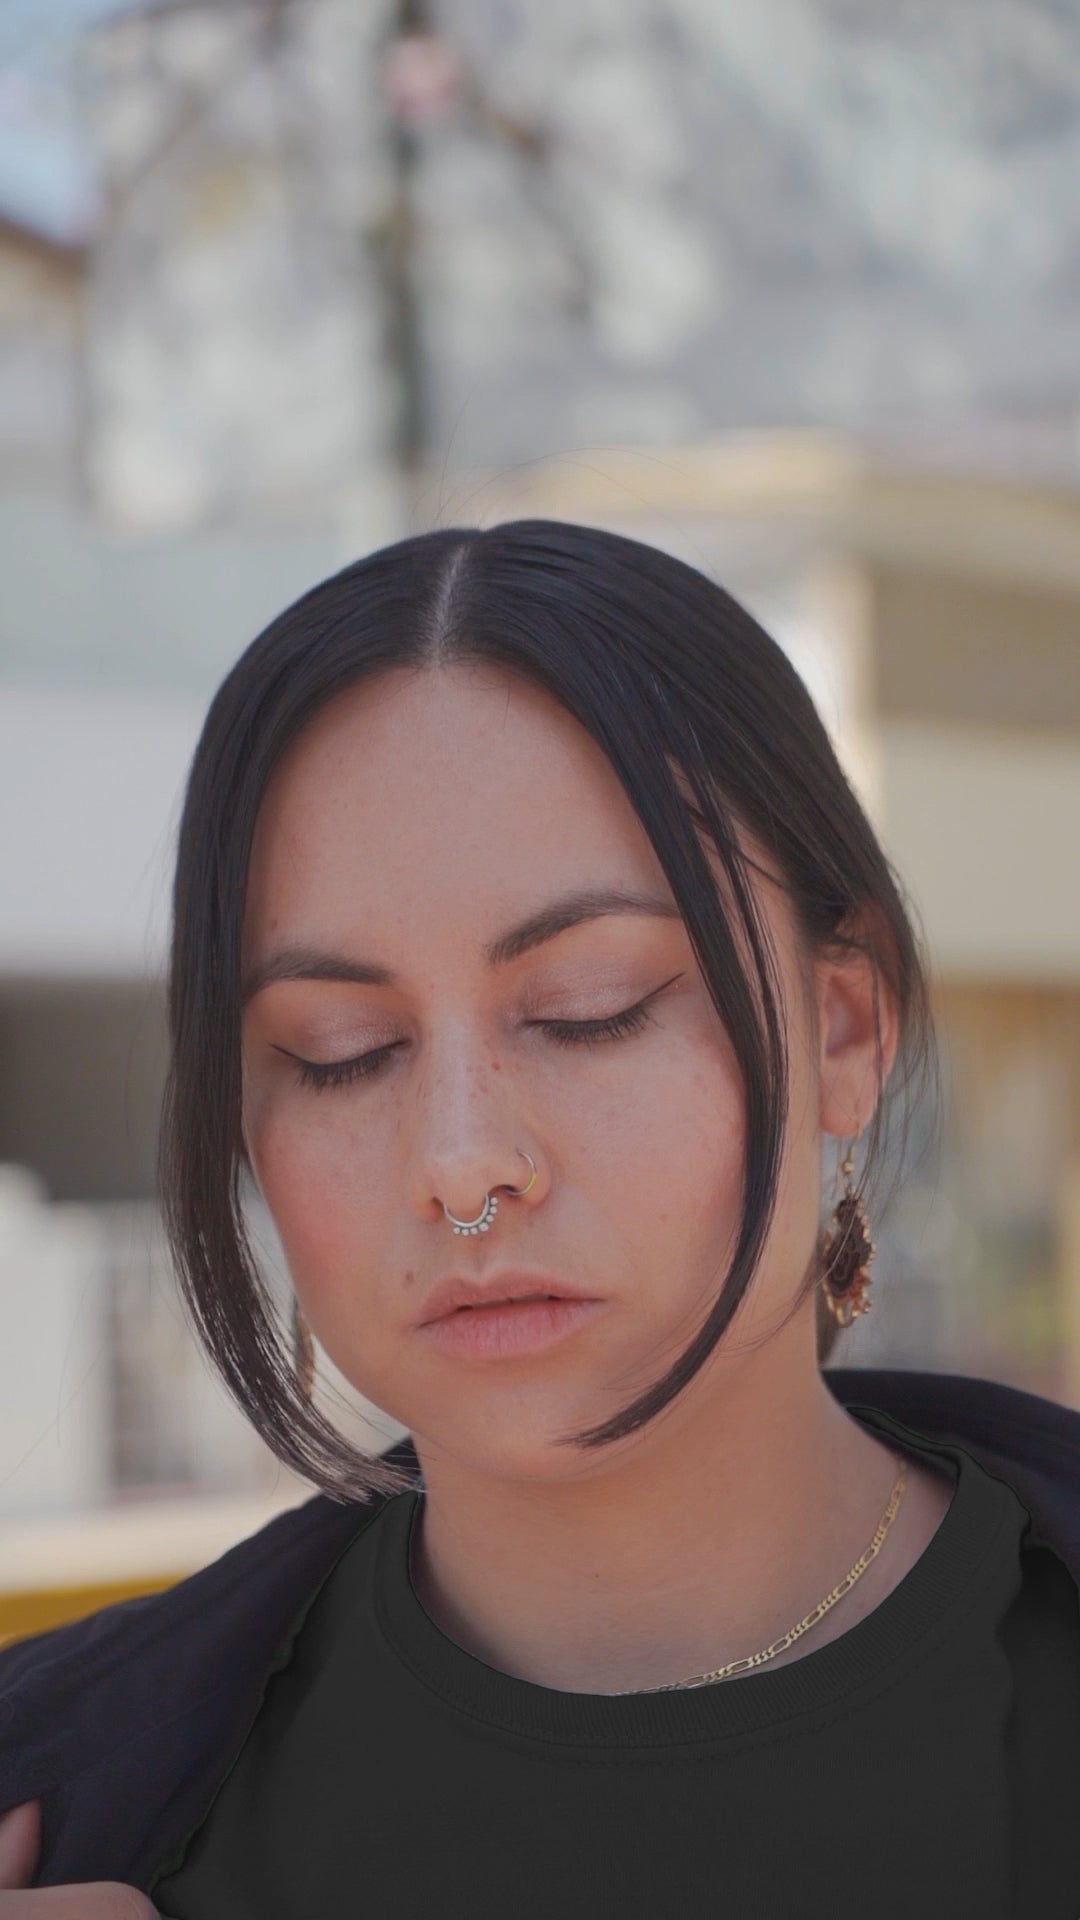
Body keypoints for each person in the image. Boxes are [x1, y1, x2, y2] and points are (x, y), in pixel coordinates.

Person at [2, 520, 1080, 1916]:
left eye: (592, 1008)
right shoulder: (66, 1792)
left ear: (845, 1022)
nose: (461, 1164)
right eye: (340, 1050)